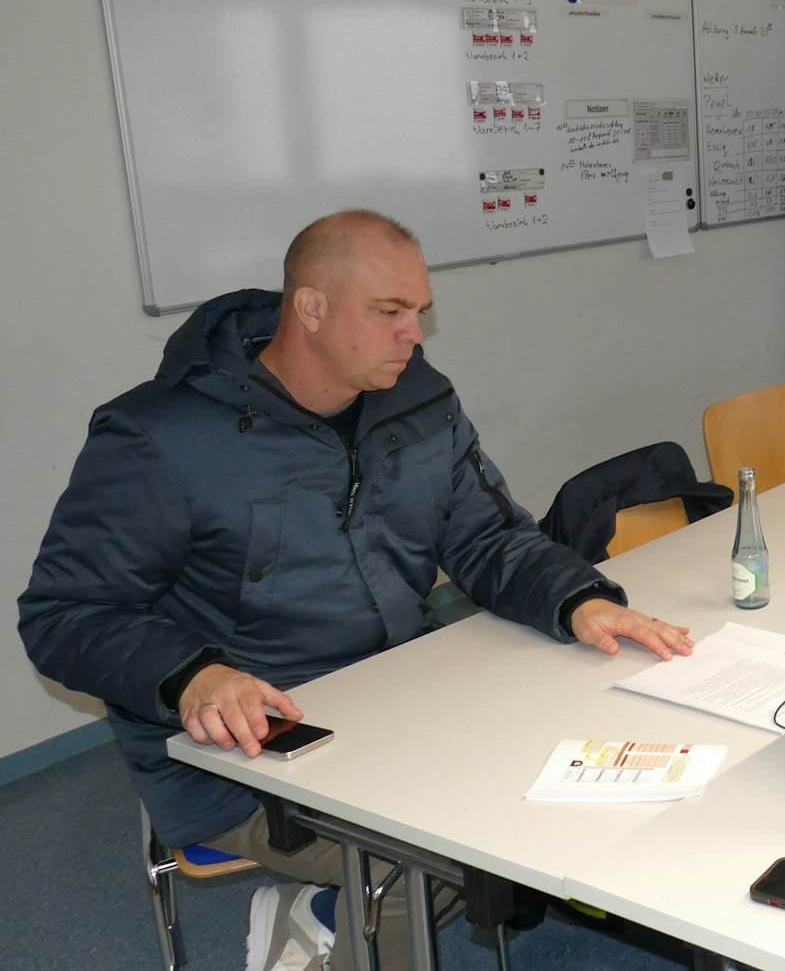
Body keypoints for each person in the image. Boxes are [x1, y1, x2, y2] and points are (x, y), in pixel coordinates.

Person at [18, 211, 694, 971]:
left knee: (572, 764)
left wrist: (579, 599)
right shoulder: (160, 438)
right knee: (439, 853)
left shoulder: (418, 403)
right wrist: (193, 674)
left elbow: (489, 537)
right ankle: (345, 918)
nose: (414, 334)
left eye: (418, 313)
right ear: (310, 308)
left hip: (395, 701)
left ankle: (324, 914)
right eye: (389, 313)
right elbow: (63, 614)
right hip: (241, 745)